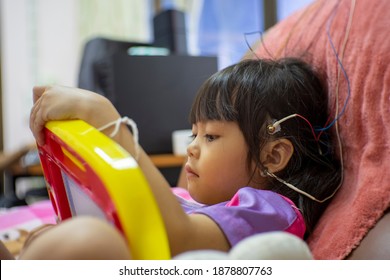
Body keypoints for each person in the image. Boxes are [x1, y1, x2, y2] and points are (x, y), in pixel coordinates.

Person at [2, 57, 341, 259]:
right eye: (194, 133)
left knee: (90, 240)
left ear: (273, 155)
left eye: (210, 136)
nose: (192, 147)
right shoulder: (195, 199)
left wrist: (110, 122)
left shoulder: (271, 211)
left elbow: (176, 240)